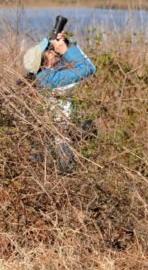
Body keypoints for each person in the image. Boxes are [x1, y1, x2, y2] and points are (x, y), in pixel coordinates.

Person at [23, 31, 96, 172]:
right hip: (59, 144)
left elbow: (63, 63)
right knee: (66, 177)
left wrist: (67, 44)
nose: (52, 50)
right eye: (48, 51)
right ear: (44, 64)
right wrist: (66, 49)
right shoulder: (51, 80)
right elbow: (87, 68)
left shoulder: (39, 78)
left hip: (41, 143)